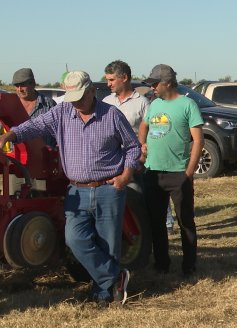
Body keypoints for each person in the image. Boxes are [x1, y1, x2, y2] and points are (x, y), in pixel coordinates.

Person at [0, 71, 140, 306]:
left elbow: (133, 147)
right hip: (77, 190)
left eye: (80, 97)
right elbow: (34, 126)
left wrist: (125, 176)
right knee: (75, 239)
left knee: (108, 244)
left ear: (92, 91)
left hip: (108, 188)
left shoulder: (111, 115)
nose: (76, 103)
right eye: (71, 97)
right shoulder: (62, 112)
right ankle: (115, 277)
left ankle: (104, 293)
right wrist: (10, 135)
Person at [139, 64, 204, 276]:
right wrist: (142, 143)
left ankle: (189, 264)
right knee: (156, 222)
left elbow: (198, 140)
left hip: (179, 173)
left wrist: (189, 172)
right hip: (153, 172)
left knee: (185, 221)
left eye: (155, 83)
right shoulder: (154, 104)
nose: (152, 87)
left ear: (167, 82)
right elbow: (143, 125)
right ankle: (161, 264)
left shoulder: (188, 104)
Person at [12, 68, 56, 146]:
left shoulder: (48, 104)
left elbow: (59, 131)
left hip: (44, 156)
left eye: (22, 85)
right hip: (17, 156)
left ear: (33, 83)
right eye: (16, 86)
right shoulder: (11, 105)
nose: (19, 89)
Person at [103, 60, 149, 135]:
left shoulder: (142, 102)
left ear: (124, 78)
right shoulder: (106, 101)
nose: (108, 84)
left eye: (111, 80)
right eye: (107, 80)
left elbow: (150, 131)